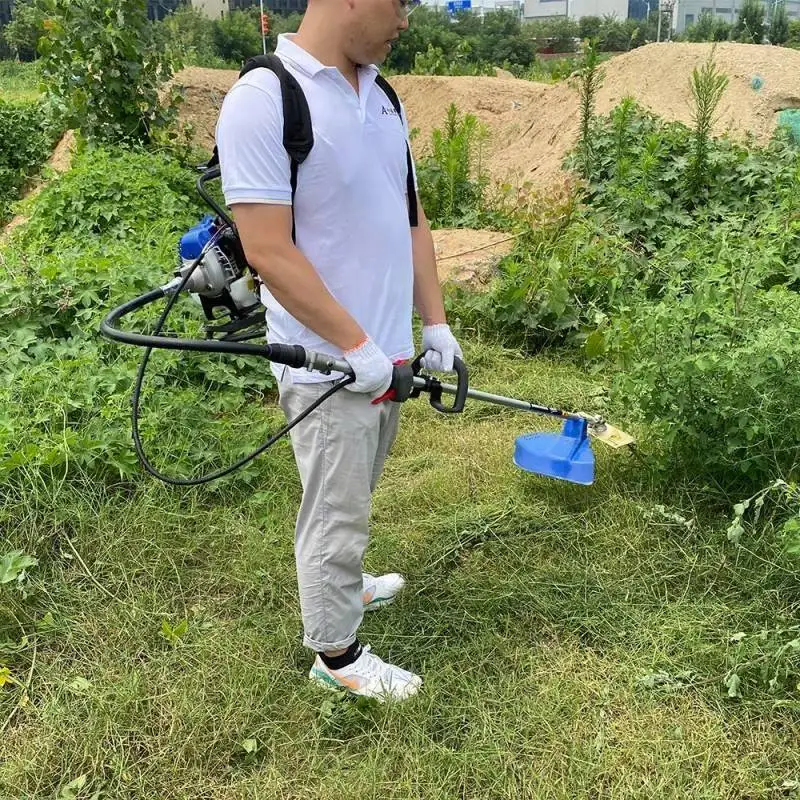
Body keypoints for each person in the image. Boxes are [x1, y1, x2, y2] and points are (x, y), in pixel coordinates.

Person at [214, 0, 462, 702]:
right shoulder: (265, 99)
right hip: (329, 362)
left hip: (387, 351)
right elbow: (267, 249)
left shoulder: (382, 95)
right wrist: (353, 343)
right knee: (335, 509)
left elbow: (408, 216)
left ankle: (346, 584)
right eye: (400, 3)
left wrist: (433, 326)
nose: (407, 21)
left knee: (355, 488)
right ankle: (337, 653)